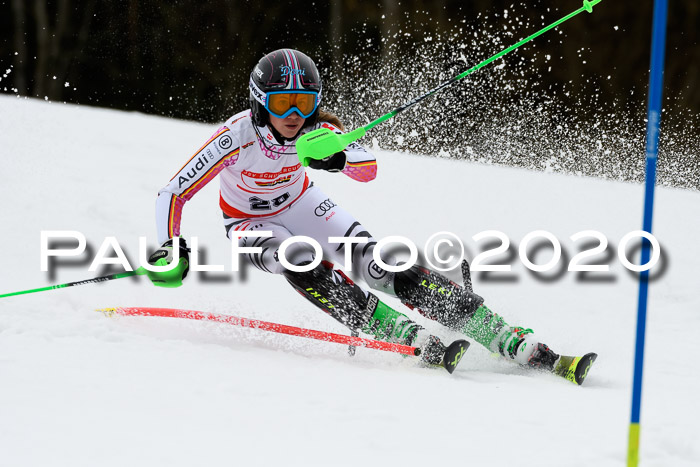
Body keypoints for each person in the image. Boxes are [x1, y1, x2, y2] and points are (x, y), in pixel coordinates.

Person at [148, 48, 595, 381]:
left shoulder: (318, 130)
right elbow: (174, 192)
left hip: (303, 204)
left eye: (304, 103)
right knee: (299, 258)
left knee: (379, 264)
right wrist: (172, 247)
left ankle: (501, 332)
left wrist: (338, 159)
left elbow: (369, 168)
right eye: (282, 103)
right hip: (248, 224)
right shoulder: (236, 137)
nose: (293, 115)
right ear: (259, 101)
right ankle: (395, 331)